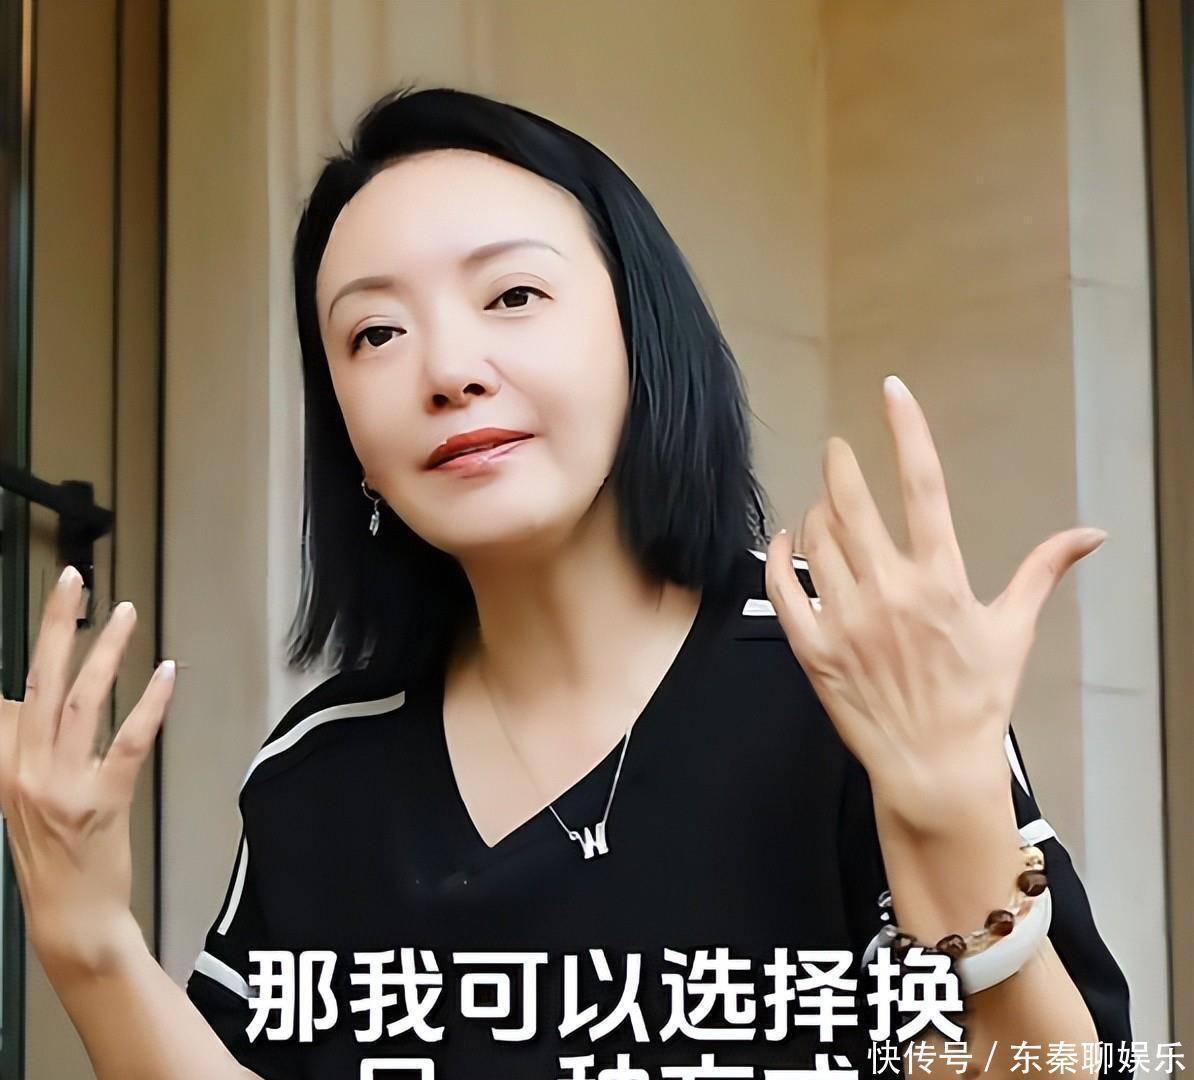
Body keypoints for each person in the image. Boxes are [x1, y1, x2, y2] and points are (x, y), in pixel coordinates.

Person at [0, 85, 1131, 1080]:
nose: (449, 370)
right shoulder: (319, 775)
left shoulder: (843, 676)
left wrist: (950, 822)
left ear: (644, 337)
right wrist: (88, 939)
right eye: (376, 333)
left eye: (512, 297)